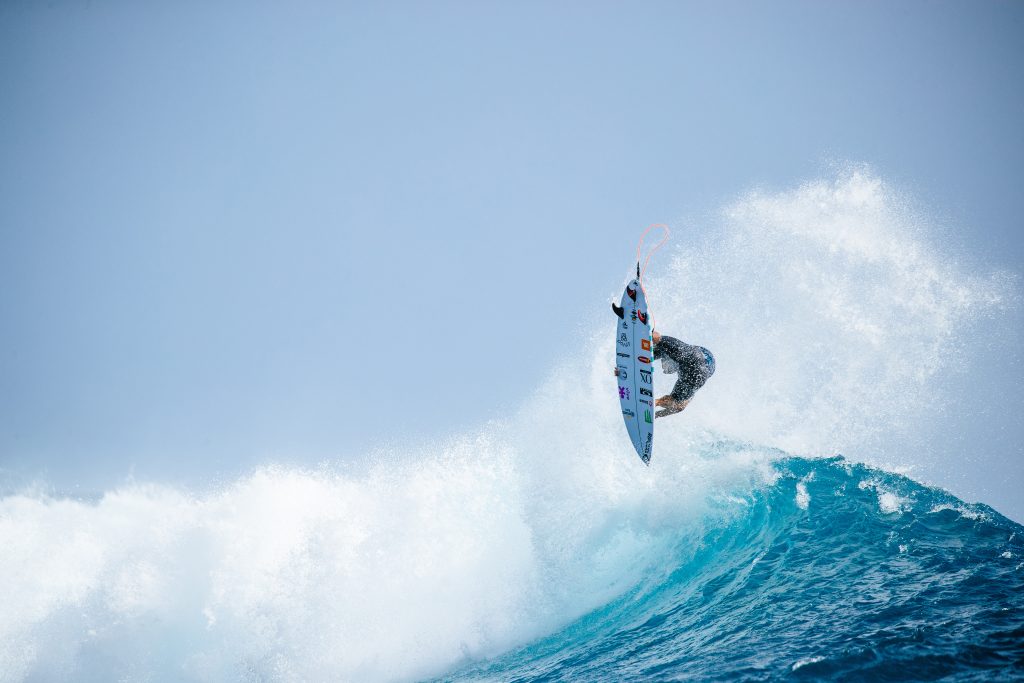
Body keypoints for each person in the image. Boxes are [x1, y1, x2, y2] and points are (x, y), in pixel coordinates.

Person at [650, 330, 715, 418]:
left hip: (697, 363)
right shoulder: (680, 356)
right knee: (658, 346)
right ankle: (653, 403)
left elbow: (656, 337)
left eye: (663, 362)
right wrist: (656, 415)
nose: (663, 368)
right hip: (700, 365)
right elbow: (679, 407)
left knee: (659, 345)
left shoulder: (684, 357)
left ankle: (653, 403)